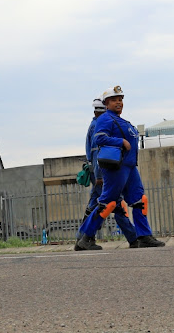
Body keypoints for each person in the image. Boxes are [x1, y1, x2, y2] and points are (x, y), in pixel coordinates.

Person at [75, 86, 165, 250]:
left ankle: (144, 236)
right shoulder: (105, 119)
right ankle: (86, 238)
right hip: (116, 167)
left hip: (130, 166)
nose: (119, 102)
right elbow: (99, 138)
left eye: (121, 99)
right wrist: (120, 142)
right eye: (115, 100)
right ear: (106, 104)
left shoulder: (121, 120)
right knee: (107, 203)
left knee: (139, 200)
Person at [75, 98, 138, 250]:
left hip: (101, 172)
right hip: (102, 173)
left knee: (113, 206)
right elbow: (98, 153)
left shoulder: (95, 124)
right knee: (107, 205)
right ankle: (83, 238)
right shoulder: (98, 124)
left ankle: (133, 238)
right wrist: (98, 177)